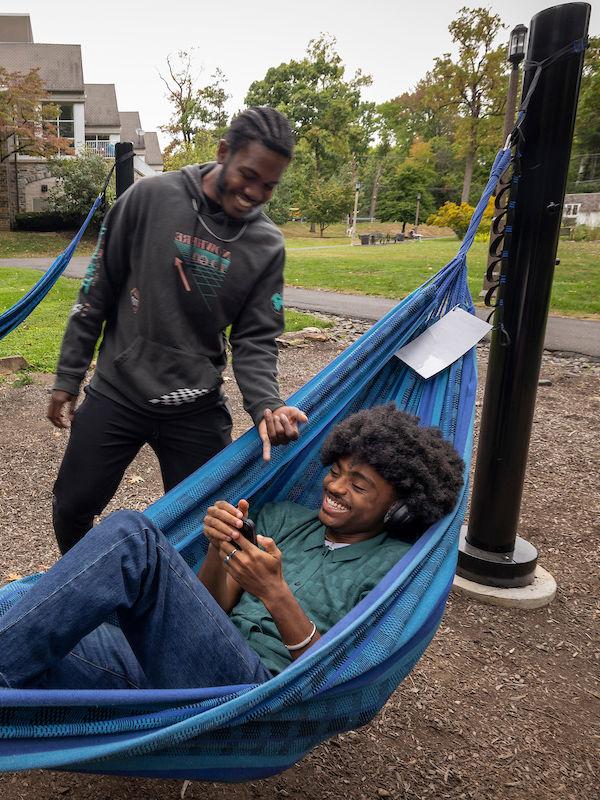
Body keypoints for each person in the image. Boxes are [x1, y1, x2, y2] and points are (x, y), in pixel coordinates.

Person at [0, 406, 464, 691]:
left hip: (250, 694)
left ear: (399, 508)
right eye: (336, 470)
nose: (335, 487)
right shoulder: (284, 518)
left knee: (133, 536)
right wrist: (219, 548)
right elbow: (213, 606)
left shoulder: (394, 572)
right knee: (28, 611)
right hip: (179, 664)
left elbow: (334, 678)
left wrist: (275, 593)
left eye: (358, 484)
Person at [47, 106, 308, 555]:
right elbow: (97, 290)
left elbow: (256, 338)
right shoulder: (149, 199)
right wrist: (68, 376)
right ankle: (89, 592)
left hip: (195, 404)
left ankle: (175, 605)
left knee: (215, 528)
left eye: (269, 186)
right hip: (119, 390)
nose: (254, 194)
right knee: (71, 506)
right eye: (248, 176)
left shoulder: (266, 245)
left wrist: (267, 403)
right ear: (223, 151)